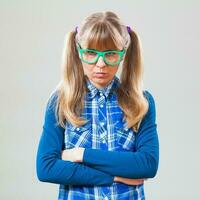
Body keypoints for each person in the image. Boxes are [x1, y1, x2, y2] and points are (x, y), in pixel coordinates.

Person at [36, 11, 159, 200]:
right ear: (78, 51)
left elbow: (147, 164)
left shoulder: (141, 102)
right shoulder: (61, 102)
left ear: (123, 53)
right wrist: (114, 176)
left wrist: (80, 154)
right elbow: (46, 168)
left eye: (110, 55)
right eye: (91, 53)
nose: (100, 64)